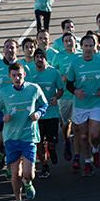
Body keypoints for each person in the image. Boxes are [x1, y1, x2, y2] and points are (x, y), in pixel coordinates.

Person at [0, 63, 48, 201]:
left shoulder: (34, 89)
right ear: (10, 76)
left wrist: (38, 114)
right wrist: (3, 117)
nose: (17, 78)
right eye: (14, 75)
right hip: (11, 138)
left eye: (19, 75)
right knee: (16, 173)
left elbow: (44, 104)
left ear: (24, 75)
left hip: (29, 137)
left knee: (28, 174)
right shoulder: (3, 92)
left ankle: (28, 184)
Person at [65, 34, 100, 176]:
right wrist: (75, 91)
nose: (88, 48)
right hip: (81, 104)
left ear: (95, 47)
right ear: (81, 47)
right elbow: (69, 84)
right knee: (83, 137)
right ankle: (87, 161)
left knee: (95, 135)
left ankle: (95, 150)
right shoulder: (75, 63)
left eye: (91, 46)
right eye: (86, 46)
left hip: (97, 102)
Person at [0, 39, 29, 177]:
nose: (9, 50)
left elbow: (29, 86)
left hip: (16, 109)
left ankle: (12, 167)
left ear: (17, 49)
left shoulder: (23, 66)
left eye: (12, 47)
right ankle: (0, 153)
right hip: (0, 107)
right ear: (3, 50)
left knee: (14, 140)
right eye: (7, 47)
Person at [30, 48, 64, 178]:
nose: (39, 59)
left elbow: (61, 89)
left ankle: (52, 149)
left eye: (41, 57)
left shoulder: (54, 72)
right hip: (37, 114)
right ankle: (44, 165)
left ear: (45, 59)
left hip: (52, 113)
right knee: (38, 142)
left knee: (51, 142)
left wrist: (56, 97)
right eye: (37, 57)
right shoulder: (30, 73)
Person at [51, 32, 80, 165]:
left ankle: (77, 156)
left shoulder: (80, 55)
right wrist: (60, 77)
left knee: (76, 124)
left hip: (77, 96)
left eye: (71, 40)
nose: (69, 42)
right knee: (65, 123)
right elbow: (53, 72)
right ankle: (67, 140)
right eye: (66, 41)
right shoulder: (58, 56)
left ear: (75, 41)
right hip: (64, 96)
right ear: (63, 43)